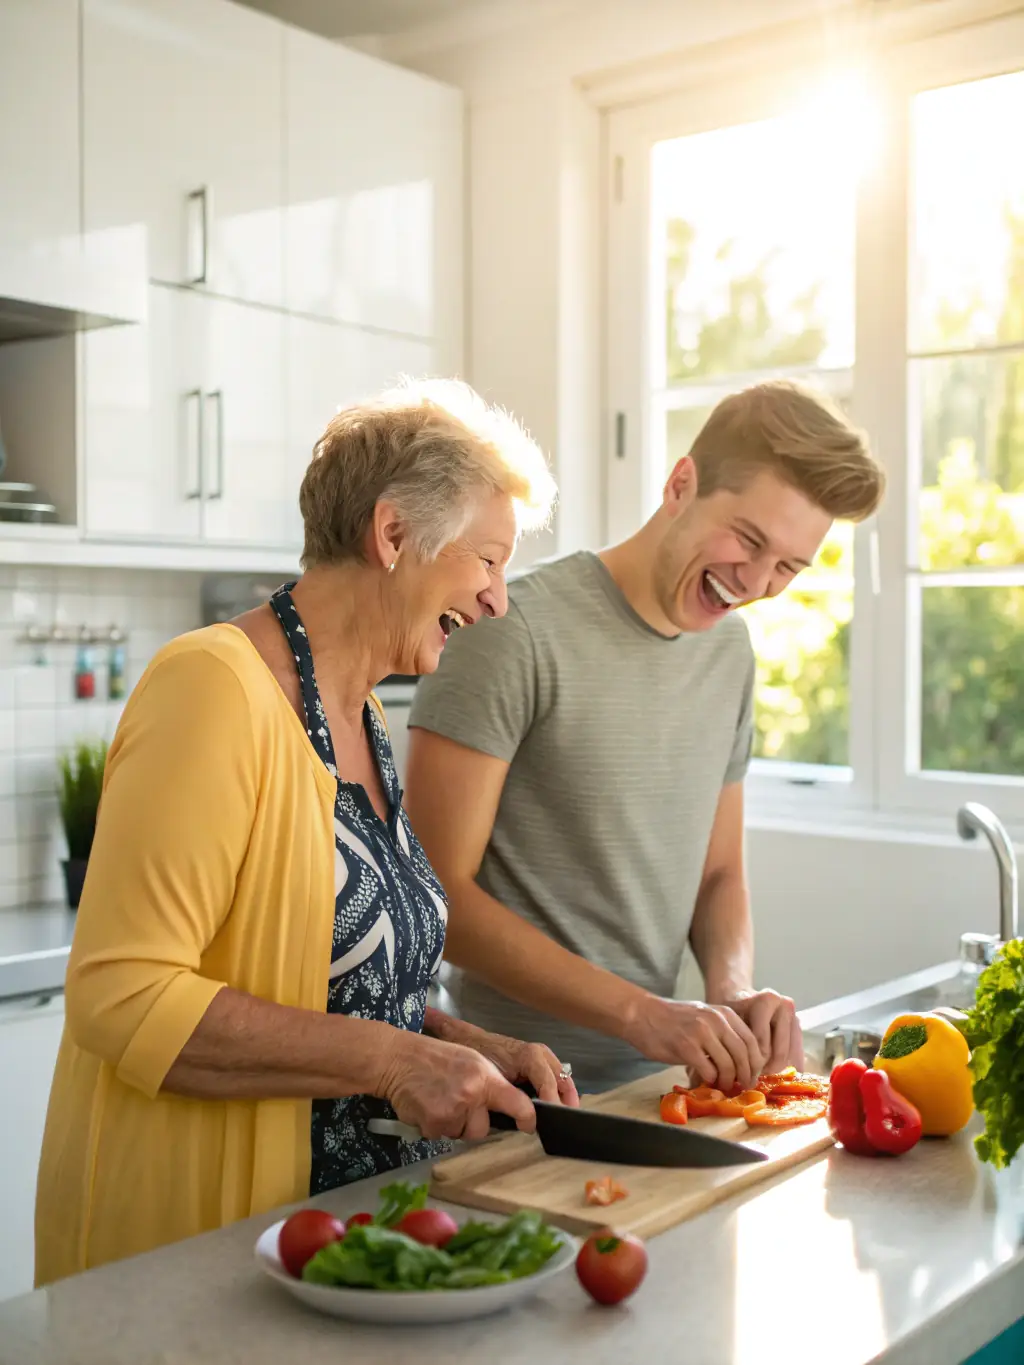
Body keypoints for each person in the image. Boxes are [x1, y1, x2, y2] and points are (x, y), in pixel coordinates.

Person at [35, 379, 577, 1287]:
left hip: (338, 1241)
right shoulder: (212, 688)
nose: (497, 601)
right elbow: (120, 994)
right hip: (199, 1252)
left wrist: (464, 1046)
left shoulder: (362, 717)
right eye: (487, 561)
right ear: (393, 534)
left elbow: (333, 984)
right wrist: (398, 1058)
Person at [405, 380, 885, 1096]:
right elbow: (435, 896)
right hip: (513, 1097)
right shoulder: (511, 629)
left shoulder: (731, 655)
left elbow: (718, 874)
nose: (754, 581)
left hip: (661, 1090)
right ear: (681, 483)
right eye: (748, 539)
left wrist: (729, 992)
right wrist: (643, 1015)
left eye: (788, 566)